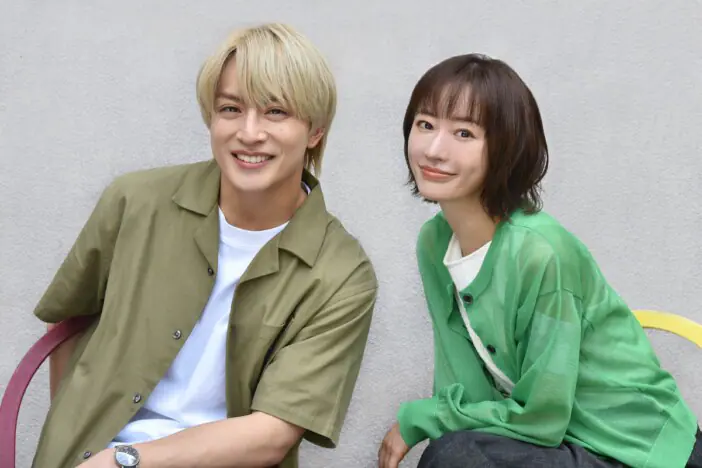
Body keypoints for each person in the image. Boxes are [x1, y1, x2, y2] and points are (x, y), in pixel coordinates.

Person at [31, 22, 378, 468]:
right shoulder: (135, 202)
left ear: (315, 131)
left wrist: (123, 461)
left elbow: (272, 434)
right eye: (231, 109)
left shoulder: (342, 273)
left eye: (275, 112)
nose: (249, 133)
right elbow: (67, 319)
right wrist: (74, 435)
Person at [378, 54, 701, 468]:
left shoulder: (540, 252)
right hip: (558, 444)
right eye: (425, 125)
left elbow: (541, 417)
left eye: (463, 133)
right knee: (456, 452)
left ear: (506, 149)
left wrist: (420, 419)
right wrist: (438, 422)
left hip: (639, 451)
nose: (435, 150)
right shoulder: (434, 243)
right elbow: (464, 387)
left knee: (457, 457)